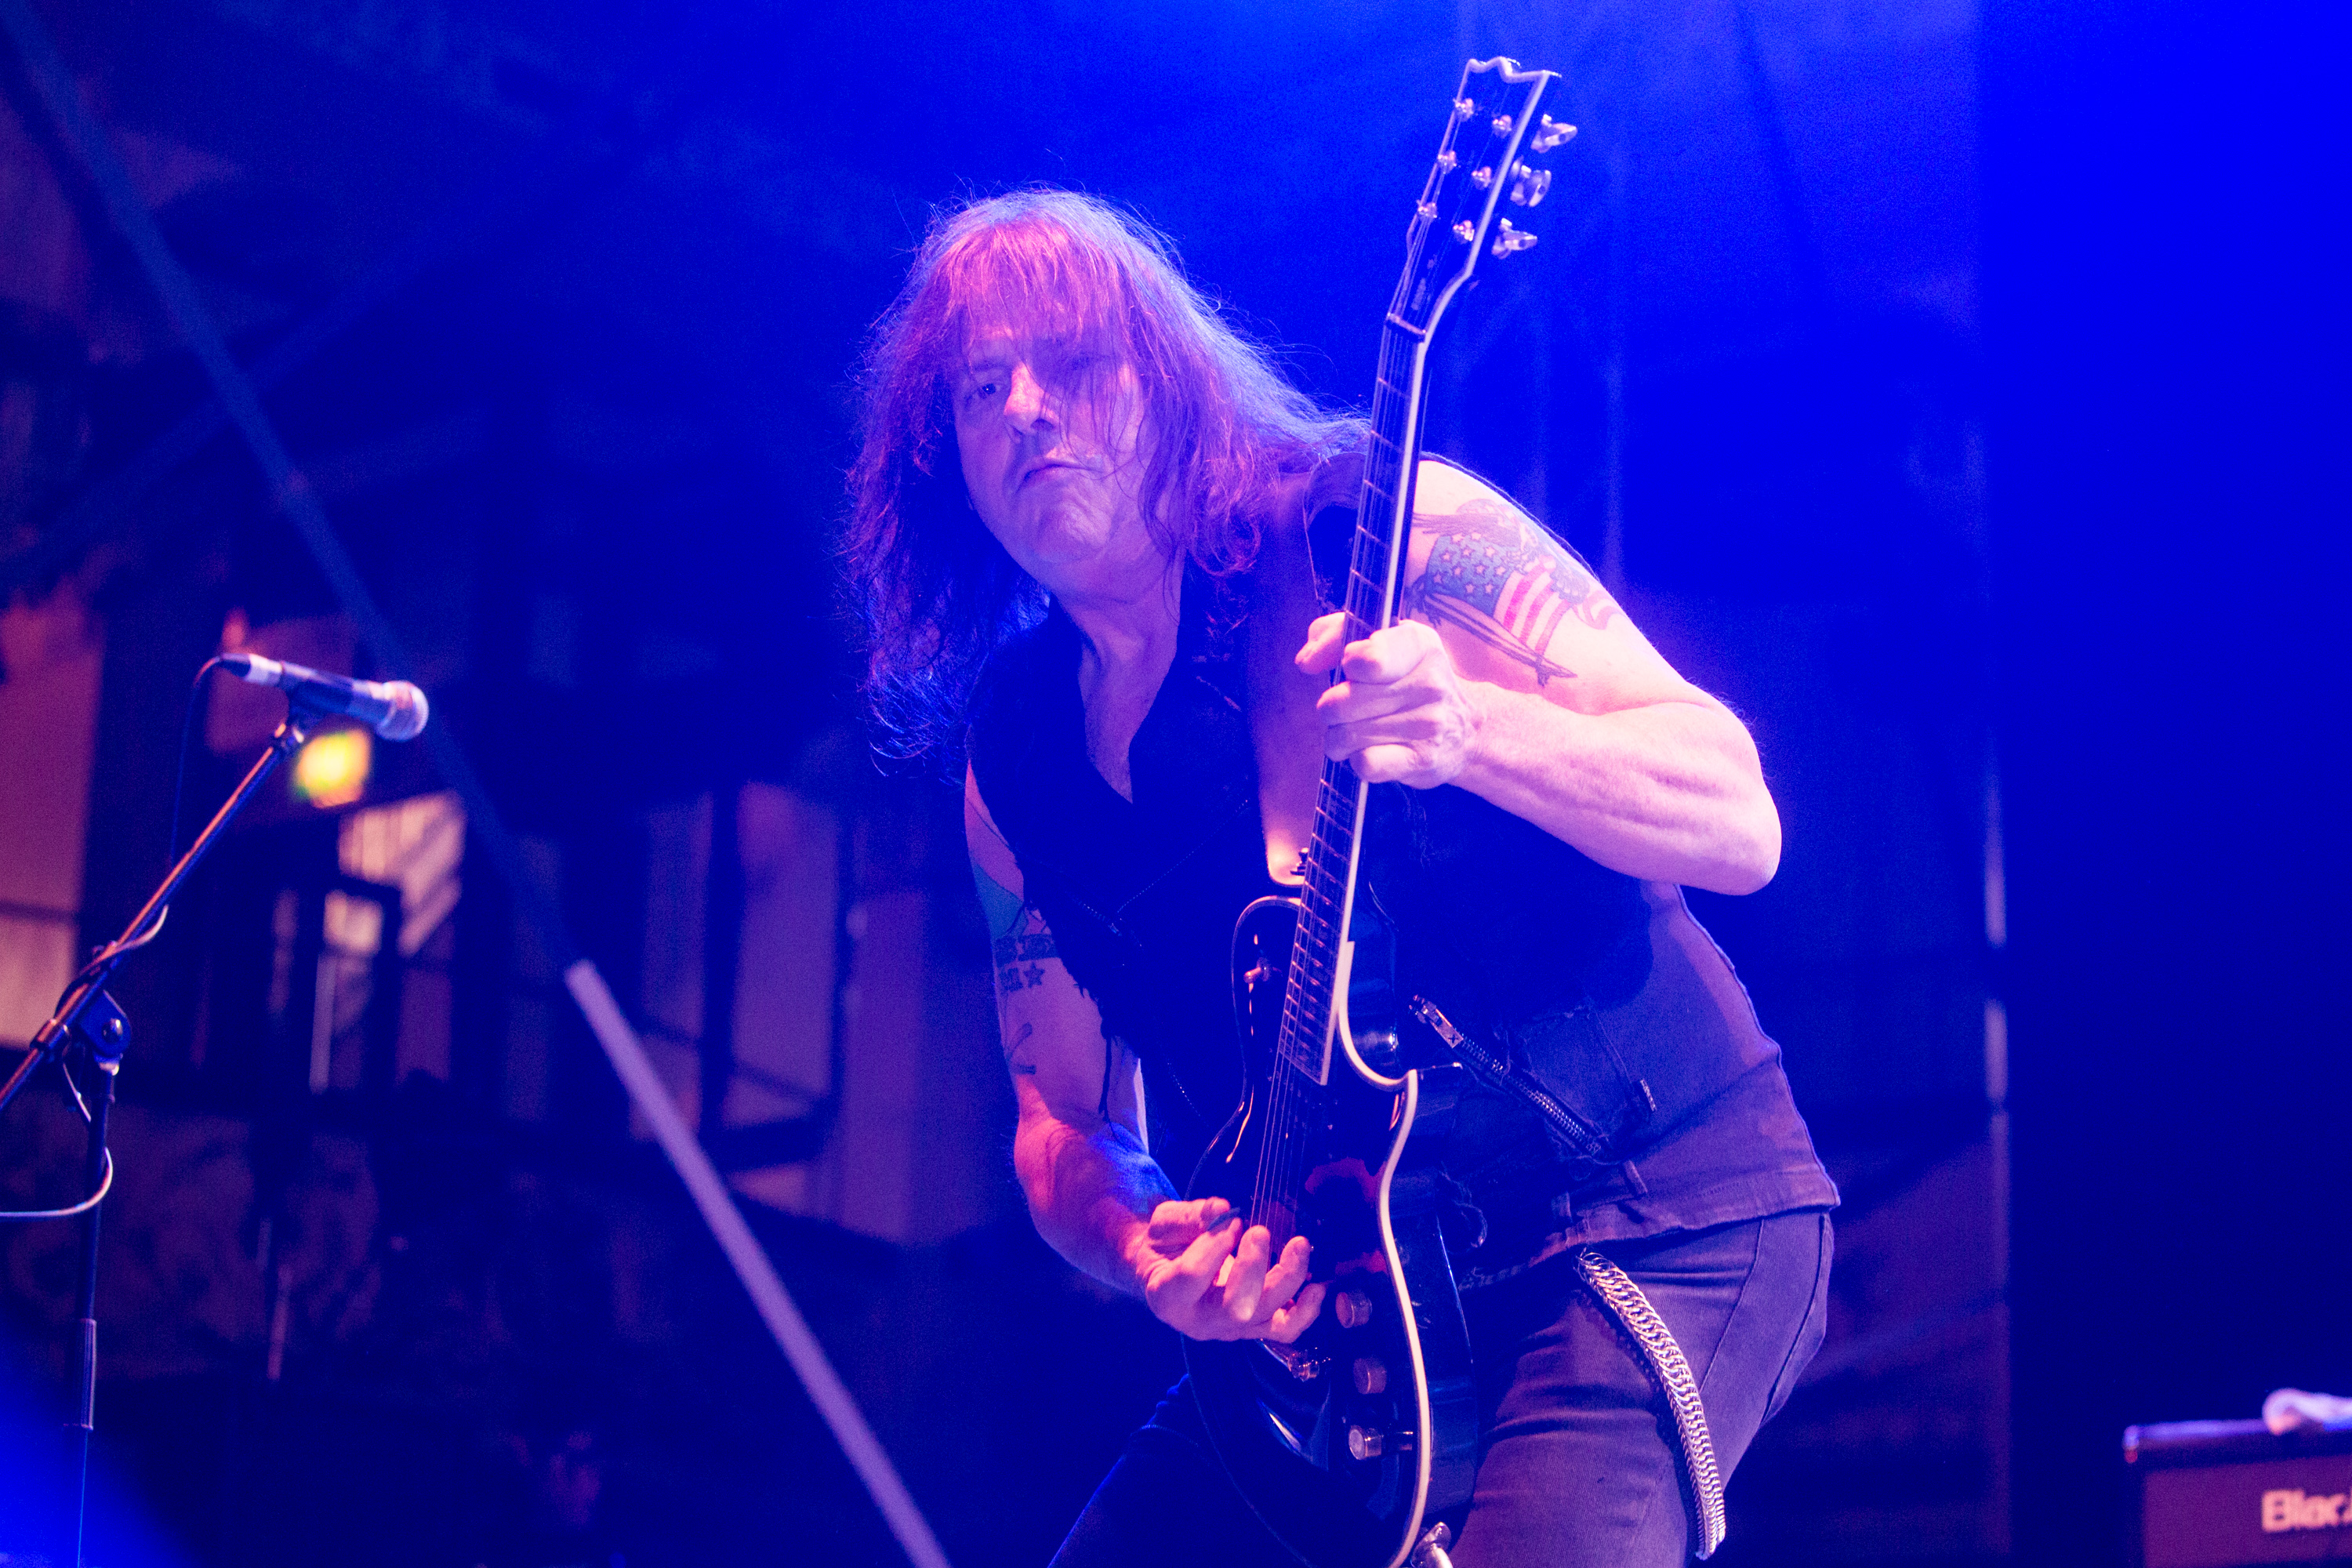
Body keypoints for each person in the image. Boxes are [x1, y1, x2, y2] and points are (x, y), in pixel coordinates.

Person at [842, 189, 1838, 1568]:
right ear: (942, 455)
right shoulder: (1009, 761)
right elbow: (1057, 1113)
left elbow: (1737, 811)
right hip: (1340, 1326)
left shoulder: (1381, 536)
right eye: (979, 387)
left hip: (1637, 1208)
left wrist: (1476, 733)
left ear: (1168, 383)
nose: (1025, 409)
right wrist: (1147, 1251)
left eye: (1072, 364)